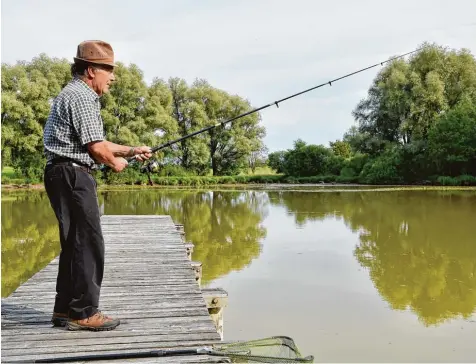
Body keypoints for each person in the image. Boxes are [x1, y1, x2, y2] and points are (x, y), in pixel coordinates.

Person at [43, 40, 152, 331]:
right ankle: (84, 311)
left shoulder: (73, 94)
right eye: (108, 70)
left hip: (61, 173)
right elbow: (95, 147)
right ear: (91, 70)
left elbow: (97, 143)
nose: (113, 76)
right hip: (73, 175)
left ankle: (66, 309)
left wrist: (130, 150)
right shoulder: (82, 97)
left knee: (74, 243)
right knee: (89, 243)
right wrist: (115, 163)